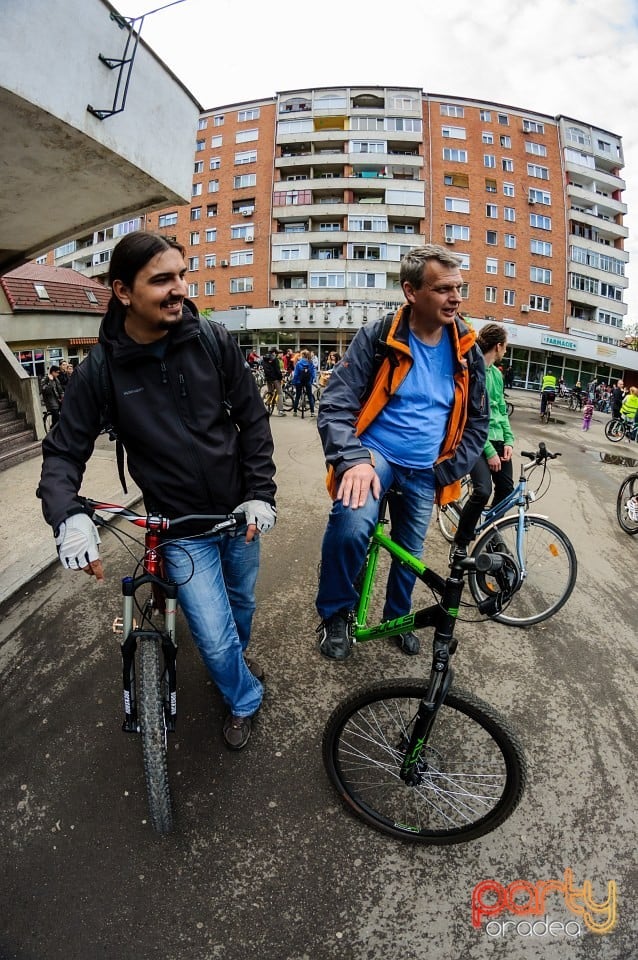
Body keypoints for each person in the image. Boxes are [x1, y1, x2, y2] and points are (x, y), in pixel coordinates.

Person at [37, 232, 277, 751]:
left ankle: (234, 669)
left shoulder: (213, 340)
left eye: (181, 275)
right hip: (179, 527)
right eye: (162, 280)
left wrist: (261, 492)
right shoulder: (99, 370)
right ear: (122, 291)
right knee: (212, 637)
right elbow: (62, 453)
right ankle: (243, 699)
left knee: (240, 608)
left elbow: (252, 420)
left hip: (241, 514)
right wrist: (67, 517)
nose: (179, 290)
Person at [315, 244, 488, 660]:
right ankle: (336, 613)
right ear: (411, 292)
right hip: (375, 454)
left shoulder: (468, 349)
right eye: (444, 289)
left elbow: (478, 423)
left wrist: (446, 472)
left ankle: (397, 617)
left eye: (459, 288)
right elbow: (335, 404)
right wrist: (353, 459)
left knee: (410, 552)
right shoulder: (377, 336)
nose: (456, 298)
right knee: (352, 524)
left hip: (428, 467)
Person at [451, 323, 514, 556]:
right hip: (477, 442)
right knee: (482, 491)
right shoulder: (473, 371)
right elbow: (473, 418)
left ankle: (489, 531)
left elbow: (500, 411)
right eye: (505, 346)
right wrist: (489, 451)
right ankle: (461, 541)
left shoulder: (497, 374)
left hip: (498, 441)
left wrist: (508, 441)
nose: (506, 351)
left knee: (506, 489)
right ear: (498, 346)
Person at [262, 347, 286, 417]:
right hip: (275, 378)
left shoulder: (264, 359)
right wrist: (280, 378)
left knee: (270, 391)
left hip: (268, 378)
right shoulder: (275, 359)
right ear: (274, 352)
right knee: (280, 393)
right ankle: (280, 410)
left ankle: (266, 403)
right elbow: (277, 370)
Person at [291, 349, 316, 417]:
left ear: (302, 355)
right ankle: (312, 412)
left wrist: (294, 381)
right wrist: (311, 381)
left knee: (297, 396)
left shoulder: (299, 363)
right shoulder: (310, 363)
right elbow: (313, 373)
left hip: (299, 381)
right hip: (307, 381)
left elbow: (296, 374)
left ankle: (295, 411)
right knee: (310, 396)